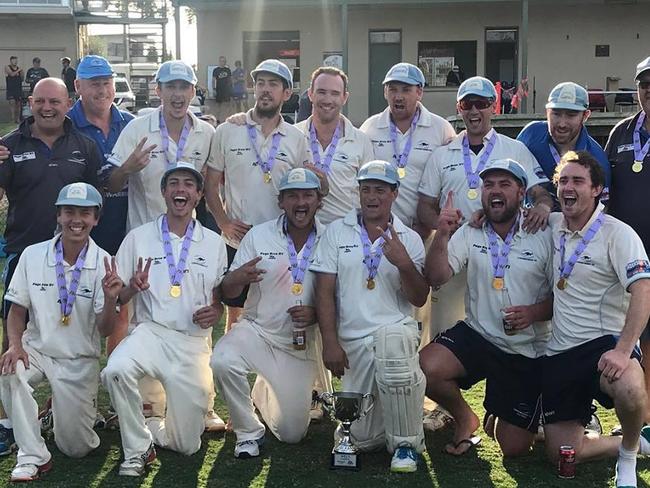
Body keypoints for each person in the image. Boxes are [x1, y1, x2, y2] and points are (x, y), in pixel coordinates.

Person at [105, 60, 222, 431]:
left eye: (184, 87)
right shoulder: (137, 128)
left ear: (193, 92)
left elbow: (210, 182)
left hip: (190, 238)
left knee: (197, 314)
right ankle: (152, 403)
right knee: (144, 321)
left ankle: (204, 403)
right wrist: (128, 168)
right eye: (170, 87)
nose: (177, 95)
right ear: (158, 91)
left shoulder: (205, 132)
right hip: (146, 238)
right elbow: (110, 182)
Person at [420, 159, 553, 457]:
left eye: (505, 184)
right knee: (425, 367)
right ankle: (465, 416)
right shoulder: (471, 229)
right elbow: (436, 276)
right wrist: (442, 233)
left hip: (525, 349)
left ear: (522, 193)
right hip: (480, 335)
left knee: (514, 448)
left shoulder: (545, 232)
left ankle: (508, 413)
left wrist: (533, 313)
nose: (495, 191)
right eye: (489, 184)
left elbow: (565, 297)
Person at [102, 162, 228, 477]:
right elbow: (120, 297)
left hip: (191, 344)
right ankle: (136, 450)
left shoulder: (213, 242)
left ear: (198, 195)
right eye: (173, 183)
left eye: (188, 184)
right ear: (164, 193)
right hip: (150, 333)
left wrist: (216, 310)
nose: (180, 190)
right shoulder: (138, 237)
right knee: (115, 371)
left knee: (187, 445)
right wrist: (133, 287)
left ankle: (151, 427)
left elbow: (217, 297)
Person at [0, 78, 102, 452]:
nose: (47, 108)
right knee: (14, 336)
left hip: (71, 255)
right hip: (25, 253)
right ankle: (9, 421)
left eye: (55, 101)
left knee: (70, 326)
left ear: (68, 102)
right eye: (40, 101)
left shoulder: (84, 146)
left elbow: (95, 198)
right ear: (30, 102)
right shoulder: (9, 146)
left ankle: (66, 397)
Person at [311, 160, 429, 473]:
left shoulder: (409, 238)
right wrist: (330, 343)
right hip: (352, 342)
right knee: (362, 439)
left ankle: (406, 445)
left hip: (394, 333)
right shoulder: (337, 232)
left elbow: (419, 297)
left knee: (393, 342)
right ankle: (374, 428)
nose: (372, 196)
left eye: (380, 189)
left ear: (394, 193)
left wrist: (404, 263)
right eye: (366, 189)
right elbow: (324, 292)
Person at [542, 150, 650, 488]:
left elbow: (643, 291)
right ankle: (633, 444)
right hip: (560, 352)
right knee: (561, 453)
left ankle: (629, 456)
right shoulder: (552, 223)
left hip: (604, 346)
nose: (568, 188)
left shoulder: (618, 234)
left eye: (578, 181)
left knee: (631, 386)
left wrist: (623, 349)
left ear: (597, 190)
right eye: (563, 181)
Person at [416, 76, 551, 342]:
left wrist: (544, 207)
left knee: (502, 333)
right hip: (454, 252)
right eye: (467, 104)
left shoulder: (515, 149)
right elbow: (424, 208)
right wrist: (441, 223)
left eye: (481, 104)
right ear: (459, 108)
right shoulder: (443, 154)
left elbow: (539, 192)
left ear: (494, 107)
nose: (474, 111)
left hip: (500, 255)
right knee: (445, 338)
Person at [0, 183, 119, 482]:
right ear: (58, 215)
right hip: (37, 350)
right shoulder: (32, 254)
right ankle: (32, 456)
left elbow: (105, 330)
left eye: (84, 213)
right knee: (10, 370)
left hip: (78, 359)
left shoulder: (104, 262)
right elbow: (16, 310)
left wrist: (112, 298)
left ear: (96, 218)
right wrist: (15, 345)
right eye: (69, 211)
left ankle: (57, 416)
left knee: (76, 448)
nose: (75, 219)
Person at [213, 168, 324, 458]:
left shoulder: (331, 238)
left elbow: (339, 294)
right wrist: (236, 278)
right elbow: (227, 291)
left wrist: (316, 313)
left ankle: (263, 394)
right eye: (292, 196)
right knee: (222, 360)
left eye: (308, 196)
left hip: (298, 346)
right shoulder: (259, 236)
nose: (300, 203)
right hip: (257, 331)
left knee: (292, 435)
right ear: (281, 202)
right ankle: (248, 431)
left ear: (319, 201)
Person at [205, 58, 310, 331]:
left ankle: (273, 372)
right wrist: (224, 223)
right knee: (235, 316)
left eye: (273, 84)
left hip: (279, 242)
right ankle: (233, 369)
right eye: (260, 83)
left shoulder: (296, 138)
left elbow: (302, 193)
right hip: (237, 241)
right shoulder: (228, 130)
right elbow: (210, 184)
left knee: (278, 312)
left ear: (286, 94)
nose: (265, 89)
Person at [360, 62, 455, 238]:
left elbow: (449, 175)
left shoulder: (441, 128)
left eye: (406, 90)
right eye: (393, 89)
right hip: (380, 233)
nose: (398, 96)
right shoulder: (370, 127)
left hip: (424, 232)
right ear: (385, 92)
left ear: (419, 92)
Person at [605, 56, 650, 429]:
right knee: (634, 331)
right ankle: (638, 415)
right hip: (629, 256)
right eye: (645, 84)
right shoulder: (621, 132)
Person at [68, 55, 134, 256]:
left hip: (128, 230)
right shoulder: (66, 126)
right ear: (78, 86)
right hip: (81, 233)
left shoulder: (132, 125)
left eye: (107, 83)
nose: (103, 90)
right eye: (95, 84)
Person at [295, 66, 375, 225]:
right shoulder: (292, 135)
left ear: (345, 97)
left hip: (346, 235)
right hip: (302, 233)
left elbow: (368, 193)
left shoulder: (361, 140)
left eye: (335, 93)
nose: (327, 99)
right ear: (310, 94)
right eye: (322, 92)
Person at [518, 81, 611, 210]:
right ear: (547, 112)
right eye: (556, 114)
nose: (562, 124)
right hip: (529, 225)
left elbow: (601, 211)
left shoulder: (597, 159)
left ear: (585, 116)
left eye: (571, 115)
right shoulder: (530, 134)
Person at [212, 56, 232, 123]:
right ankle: (217, 119)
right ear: (219, 61)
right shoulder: (215, 70)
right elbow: (213, 80)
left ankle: (226, 119)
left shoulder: (228, 70)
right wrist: (214, 89)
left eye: (224, 61)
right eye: (221, 61)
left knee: (227, 105)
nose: (223, 62)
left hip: (227, 90)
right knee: (218, 105)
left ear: (225, 62)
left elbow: (230, 80)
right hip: (219, 89)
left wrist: (231, 89)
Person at [4, 56, 23, 124]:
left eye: (16, 60)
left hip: (18, 88)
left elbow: (22, 78)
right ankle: (12, 119)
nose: (15, 62)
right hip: (11, 89)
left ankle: (17, 119)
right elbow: (11, 74)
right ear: (11, 61)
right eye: (14, 60)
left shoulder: (19, 68)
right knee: (12, 103)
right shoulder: (7, 67)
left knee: (18, 104)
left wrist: (21, 72)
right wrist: (18, 70)